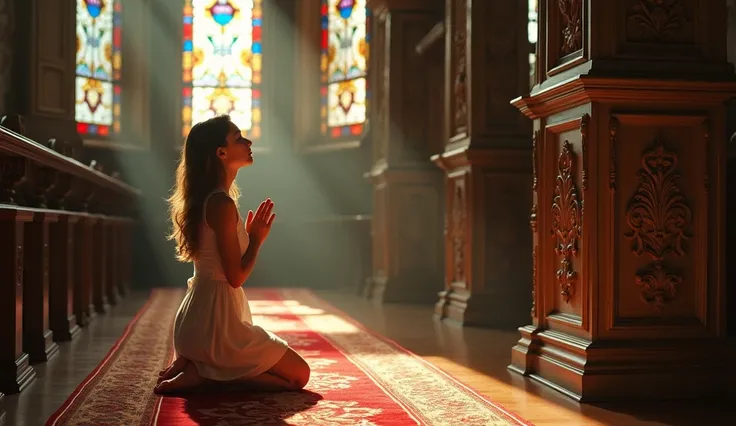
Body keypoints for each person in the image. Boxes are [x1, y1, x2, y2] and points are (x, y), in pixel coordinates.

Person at [155, 115, 310, 394]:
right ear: (221, 152)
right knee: (299, 377)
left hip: (196, 323)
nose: (248, 142)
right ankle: (207, 374)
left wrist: (251, 238)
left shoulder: (212, 199)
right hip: (217, 328)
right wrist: (256, 240)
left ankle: (200, 366)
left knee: (286, 372)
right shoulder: (220, 204)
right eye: (239, 137)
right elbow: (236, 277)